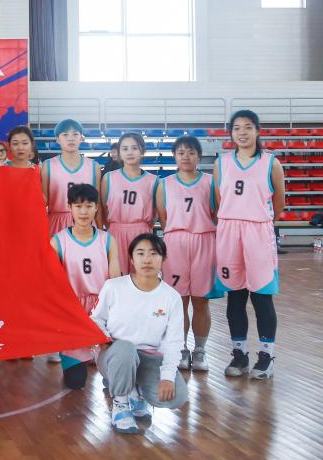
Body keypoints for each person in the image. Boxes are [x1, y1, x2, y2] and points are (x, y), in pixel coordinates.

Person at [92, 233, 189, 435]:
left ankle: (137, 392)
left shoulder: (171, 297)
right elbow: (96, 319)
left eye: (154, 254)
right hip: (115, 354)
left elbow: (173, 342)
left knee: (177, 397)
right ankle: (120, 404)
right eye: (141, 253)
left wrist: (167, 377)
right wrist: (104, 339)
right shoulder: (114, 287)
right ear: (131, 258)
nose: (147, 259)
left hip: (149, 358)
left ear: (163, 259)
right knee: (125, 349)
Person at [213, 109, 285, 380]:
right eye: (236, 128)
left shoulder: (271, 163)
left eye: (247, 127)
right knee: (235, 295)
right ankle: (239, 354)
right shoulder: (222, 163)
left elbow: (279, 204)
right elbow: (220, 199)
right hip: (229, 230)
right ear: (231, 133)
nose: (242, 132)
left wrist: (257, 220)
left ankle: (266, 357)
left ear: (257, 130)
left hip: (257, 230)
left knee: (262, 295)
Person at [50, 183, 121, 389]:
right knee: (75, 382)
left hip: (102, 309)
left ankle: (106, 362)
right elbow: (52, 284)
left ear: (96, 208)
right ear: (69, 207)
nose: (84, 212)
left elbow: (115, 279)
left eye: (89, 206)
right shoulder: (58, 241)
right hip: (72, 312)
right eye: (78, 206)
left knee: (115, 379)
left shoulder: (107, 240)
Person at [156, 136, 216, 372]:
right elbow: (163, 217)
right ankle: (180, 348)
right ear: (174, 156)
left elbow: (216, 213)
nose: (186, 157)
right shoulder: (165, 184)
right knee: (178, 300)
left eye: (191, 152)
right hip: (176, 243)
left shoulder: (210, 182)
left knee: (201, 300)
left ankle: (200, 350)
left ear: (198, 156)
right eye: (181, 152)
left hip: (204, 240)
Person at [101, 132, 157, 275]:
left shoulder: (154, 181)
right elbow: (102, 210)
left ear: (142, 150)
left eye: (134, 148)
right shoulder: (108, 178)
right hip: (115, 232)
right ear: (119, 152)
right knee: (117, 279)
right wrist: (114, 226)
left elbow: (156, 213)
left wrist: (142, 226)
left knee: (142, 278)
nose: (130, 152)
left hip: (142, 233)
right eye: (125, 148)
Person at [41, 119, 101, 236]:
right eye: (65, 134)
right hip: (56, 222)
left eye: (75, 134)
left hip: (86, 222)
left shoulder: (94, 166)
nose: (70, 138)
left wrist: (100, 230)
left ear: (81, 138)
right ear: (57, 139)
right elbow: (43, 201)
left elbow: (98, 204)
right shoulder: (48, 165)